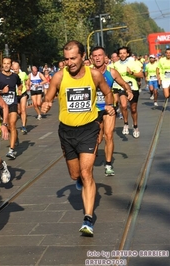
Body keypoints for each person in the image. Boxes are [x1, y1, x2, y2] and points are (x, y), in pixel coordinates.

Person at [41, 40, 115, 237]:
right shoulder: (59, 77)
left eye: (73, 58)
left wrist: (109, 106)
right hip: (66, 131)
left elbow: (109, 94)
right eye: (66, 59)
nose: (70, 63)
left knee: (87, 172)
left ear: (83, 56)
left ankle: (88, 219)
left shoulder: (94, 75)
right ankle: (80, 181)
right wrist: (46, 104)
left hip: (89, 129)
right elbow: (48, 98)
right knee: (75, 175)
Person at [90, 46, 133, 176]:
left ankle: (108, 165)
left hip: (108, 107)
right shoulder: (87, 72)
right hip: (94, 108)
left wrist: (128, 90)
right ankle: (90, 160)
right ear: (91, 58)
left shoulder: (112, 72)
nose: (97, 58)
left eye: (100, 55)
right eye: (95, 56)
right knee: (97, 139)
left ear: (105, 57)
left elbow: (124, 83)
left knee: (109, 135)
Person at [0, 57, 22, 160]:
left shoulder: (15, 76)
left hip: (12, 103)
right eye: (5, 63)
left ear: (11, 65)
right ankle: (15, 136)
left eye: (8, 63)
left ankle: (11, 150)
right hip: (2, 106)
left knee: (12, 123)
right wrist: (1, 91)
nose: (7, 65)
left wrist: (20, 90)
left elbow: (20, 84)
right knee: (8, 126)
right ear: (2, 65)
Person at [114, 46, 144, 138]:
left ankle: (135, 126)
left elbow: (141, 75)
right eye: (120, 53)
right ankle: (126, 123)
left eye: (124, 53)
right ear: (118, 55)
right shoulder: (116, 64)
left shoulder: (133, 63)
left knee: (133, 109)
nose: (122, 55)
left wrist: (131, 72)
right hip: (122, 87)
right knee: (123, 105)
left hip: (133, 87)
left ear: (127, 54)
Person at [11, 61, 29, 134]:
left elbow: (27, 79)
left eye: (17, 68)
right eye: (14, 69)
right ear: (12, 68)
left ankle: (23, 126)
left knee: (23, 109)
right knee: (19, 111)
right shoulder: (11, 75)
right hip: (15, 95)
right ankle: (24, 119)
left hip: (23, 93)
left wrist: (27, 85)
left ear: (19, 68)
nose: (15, 70)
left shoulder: (23, 74)